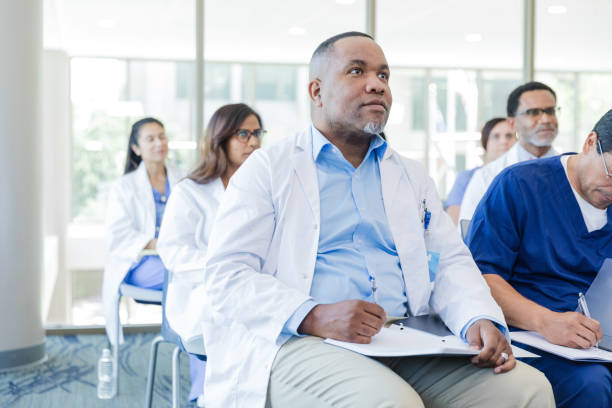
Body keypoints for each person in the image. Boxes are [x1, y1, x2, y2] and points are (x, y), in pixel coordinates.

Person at [200, 32, 554, 408]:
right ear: (316, 91)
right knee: (389, 402)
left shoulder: (411, 175)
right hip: (300, 338)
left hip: (404, 337)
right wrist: (312, 315)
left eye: (383, 76)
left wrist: (477, 318)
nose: (376, 85)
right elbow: (226, 275)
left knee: (527, 390)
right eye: (357, 71)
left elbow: (450, 260)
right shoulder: (268, 169)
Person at [465, 109, 612, 408]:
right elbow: (481, 276)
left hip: (598, 343)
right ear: (590, 142)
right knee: (592, 384)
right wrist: (545, 321)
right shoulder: (519, 185)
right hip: (529, 337)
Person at [157, 103, 264, 404]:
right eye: (244, 134)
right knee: (225, 310)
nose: (254, 142)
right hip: (202, 289)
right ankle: (212, 395)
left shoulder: (263, 189)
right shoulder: (190, 191)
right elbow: (173, 251)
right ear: (221, 139)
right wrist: (225, 267)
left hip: (255, 284)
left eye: (257, 133)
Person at [102, 117, 184, 347]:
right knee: (189, 278)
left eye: (162, 136)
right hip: (141, 262)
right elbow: (118, 235)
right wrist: (157, 244)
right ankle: (190, 340)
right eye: (150, 139)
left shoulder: (185, 179)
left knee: (196, 276)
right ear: (137, 149)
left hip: (177, 257)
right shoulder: (124, 187)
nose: (159, 143)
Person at [459, 81, 560, 222]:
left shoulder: (572, 170)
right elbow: (470, 233)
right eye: (533, 112)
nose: (545, 119)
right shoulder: (486, 177)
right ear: (512, 123)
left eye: (550, 111)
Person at [445, 117, 516, 224]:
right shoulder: (466, 177)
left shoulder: (520, 177)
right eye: (496, 136)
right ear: (485, 142)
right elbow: (455, 223)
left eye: (509, 136)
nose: (503, 141)